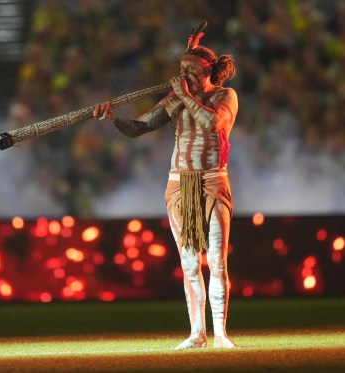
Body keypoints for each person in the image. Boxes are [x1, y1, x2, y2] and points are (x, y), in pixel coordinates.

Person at [94, 35, 238, 349]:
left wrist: (184, 95)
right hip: (179, 184)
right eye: (182, 69)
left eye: (192, 70)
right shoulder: (175, 100)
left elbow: (213, 125)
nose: (185, 75)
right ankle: (196, 333)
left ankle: (221, 335)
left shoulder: (225, 96)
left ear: (207, 71)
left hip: (213, 181)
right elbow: (139, 128)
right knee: (189, 264)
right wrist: (113, 118)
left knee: (217, 261)